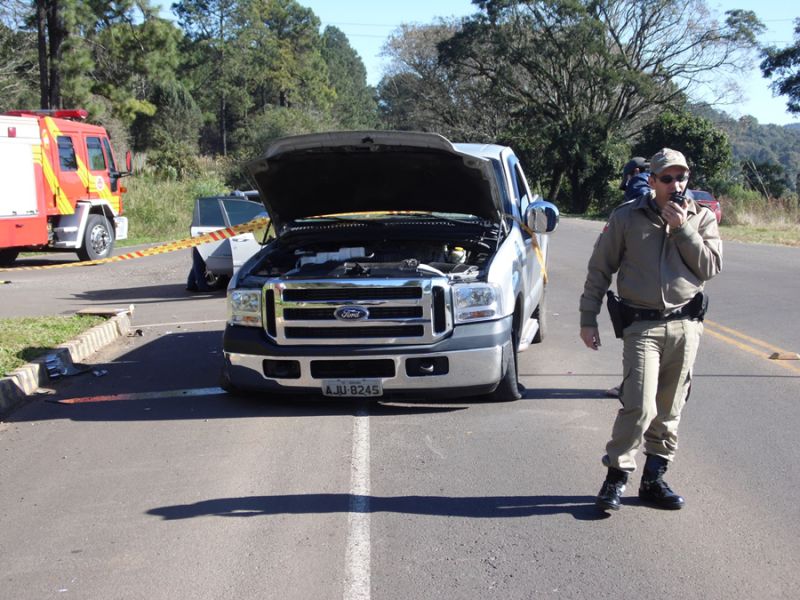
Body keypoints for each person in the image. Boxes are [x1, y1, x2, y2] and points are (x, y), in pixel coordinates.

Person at [579, 148, 722, 512]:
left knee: (670, 408)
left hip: (686, 326)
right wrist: (587, 317)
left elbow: (709, 267)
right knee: (639, 406)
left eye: (681, 177)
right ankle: (616, 477)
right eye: (667, 178)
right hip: (642, 325)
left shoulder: (701, 217)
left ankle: (654, 479)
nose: (676, 185)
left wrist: (683, 229)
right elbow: (600, 269)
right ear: (653, 181)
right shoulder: (627, 217)